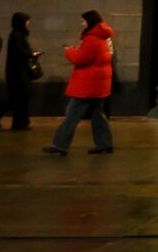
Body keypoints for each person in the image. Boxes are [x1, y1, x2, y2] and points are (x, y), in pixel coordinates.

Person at [43, 11, 115, 155]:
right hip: (97, 85)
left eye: (83, 21)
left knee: (71, 115)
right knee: (98, 115)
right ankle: (104, 144)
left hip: (88, 85)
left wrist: (69, 50)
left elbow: (80, 59)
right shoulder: (102, 38)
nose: (81, 24)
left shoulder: (92, 39)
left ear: (90, 22)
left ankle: (60, 146)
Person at [0, 12, 39, 131]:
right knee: (20, 97)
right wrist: (31, 53)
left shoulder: (19, 34)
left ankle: (20, 123)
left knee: (21, 98)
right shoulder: (16, 34)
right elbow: (18, 52)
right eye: (26, 20)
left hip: (19, 72)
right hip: (17, 73)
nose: (28, 23)